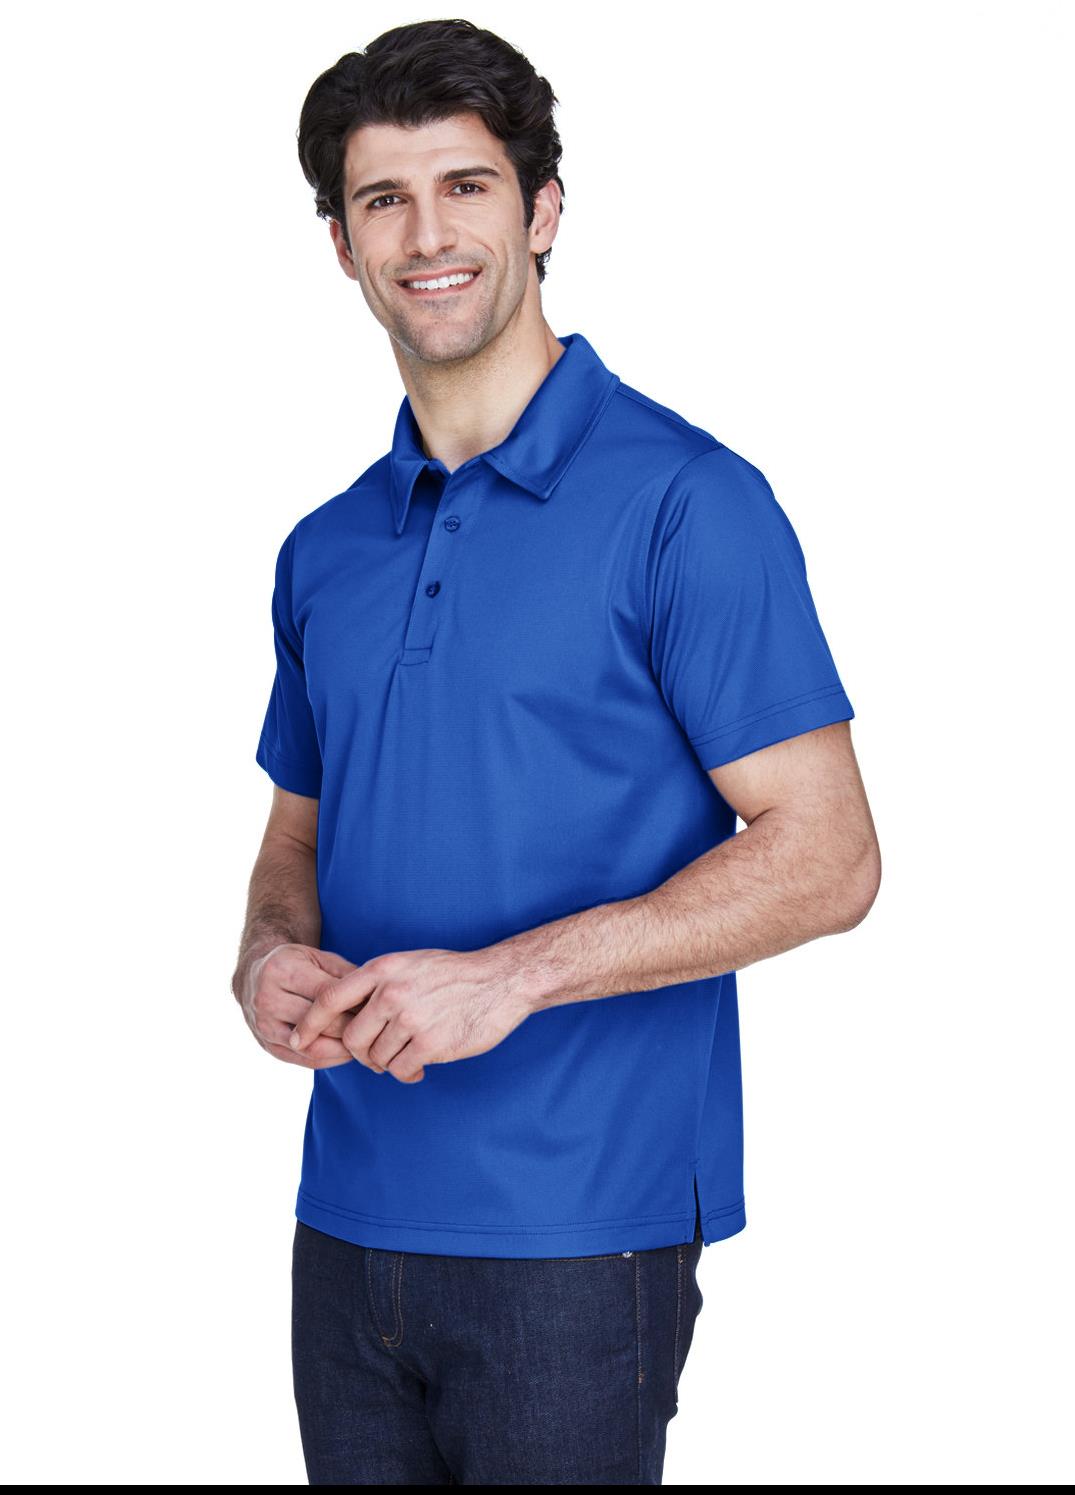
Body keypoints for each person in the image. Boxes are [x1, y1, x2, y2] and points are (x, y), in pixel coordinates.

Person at [231, 17, 881, 1486]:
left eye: (465, 186)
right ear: (341, 244)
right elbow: (297, 839)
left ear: (543, 211)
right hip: (344, 1223)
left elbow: (831, 856)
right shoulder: (324, 549)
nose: (427, 235)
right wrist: (267, 958)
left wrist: (508, 979)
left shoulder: (690, 504)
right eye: (384, 199)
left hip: (579, 1234)